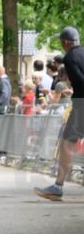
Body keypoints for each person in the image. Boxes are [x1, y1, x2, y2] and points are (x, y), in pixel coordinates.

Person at [35, 26, 84, 201]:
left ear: (65, 42)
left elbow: (80, 81)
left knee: (66, 143)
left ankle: (58, 187)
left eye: (61, 42)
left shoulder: (69, 57)